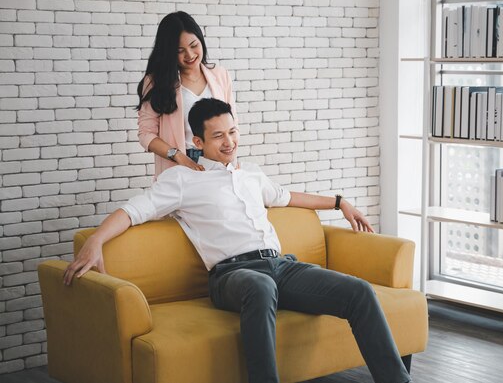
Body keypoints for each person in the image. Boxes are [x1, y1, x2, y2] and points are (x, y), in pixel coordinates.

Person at [63, 98, 412, 383]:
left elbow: (289, 196)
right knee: (260, 286)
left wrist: (339, 202)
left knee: (359, 292)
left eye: (232, 131)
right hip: (233, 276)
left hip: (281, 266)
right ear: (197, 142)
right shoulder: (182, 180)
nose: (229, 141)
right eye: (217, 136)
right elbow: (133, 210)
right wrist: (95, 240)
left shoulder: (251, 175)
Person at [136, 11, 236, 177]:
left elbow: (233, 125)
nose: (189, 55)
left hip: (218, 160)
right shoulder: (156, 83)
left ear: (201, 41)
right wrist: (178, 156)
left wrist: (233, 162)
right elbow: (146, 134)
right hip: (179, 162)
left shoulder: (220, 75)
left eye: (194, 45)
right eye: (179, 50)